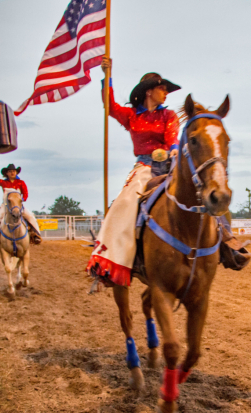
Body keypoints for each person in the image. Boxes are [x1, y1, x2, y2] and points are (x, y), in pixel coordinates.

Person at [87, 57, 181, 286]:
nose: (166, 93)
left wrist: (174, 150)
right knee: (124, 203)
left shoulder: (168, 115)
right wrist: (107, 76)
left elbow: (172, 138)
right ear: (149, 91)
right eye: (162, 88)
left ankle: (225, 242)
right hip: (144, 167)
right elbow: (108, 106)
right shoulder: (132, 116)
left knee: (200, 188)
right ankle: (110, 259)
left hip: (169, 163)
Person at [0, 163, 41, 248]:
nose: (12, 173)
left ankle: (36, 235)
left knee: (31, 217)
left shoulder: (21, 182)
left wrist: (22, 200)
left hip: (18, 205)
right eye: (10, 171)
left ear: (16, 172)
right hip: (6, 205)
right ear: (7, 173)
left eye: (14, 171)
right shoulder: (4, 182)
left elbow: (25, 194)